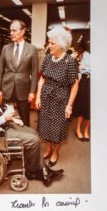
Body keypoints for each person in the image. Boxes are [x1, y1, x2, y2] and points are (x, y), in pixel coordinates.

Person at [0, 69, 64, 187]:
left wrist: (10, 115)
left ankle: (41, 168)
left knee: (33, 133)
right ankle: (34, 172)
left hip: (2, 126)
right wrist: (5, 118)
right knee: (33, 140)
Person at [35, 26, 79, 166]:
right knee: (46, 125)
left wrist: (69, 106)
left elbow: (74, 85)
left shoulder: (70, 61)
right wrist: (37, 97)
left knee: (58, 127)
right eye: (49, 42)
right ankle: (48, 148)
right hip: (46, 96)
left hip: (61, 98)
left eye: (52, 43)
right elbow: (42, 79)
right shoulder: (48, 58)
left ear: (61, 44)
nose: (49, 45)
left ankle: (56, 152)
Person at [0, 20, 38, 127]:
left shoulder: (32, 49)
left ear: (23, 31)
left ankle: (27, 139)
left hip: (23, 89)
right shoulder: (6, 48)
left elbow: (34, 71)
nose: (11, 33)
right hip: (6, 88)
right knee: (4, 117)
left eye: (14, 30)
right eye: (10, 31)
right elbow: (0, 70)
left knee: (25, 118)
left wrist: (32, 91)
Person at [72, 44, 91, 142]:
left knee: (91, 109)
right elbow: (81, 69)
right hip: (86, 81)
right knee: (83, 106)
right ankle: (78, 128)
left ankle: (86, 130)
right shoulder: (86, 54)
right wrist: (90, 70)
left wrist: (88, 69)